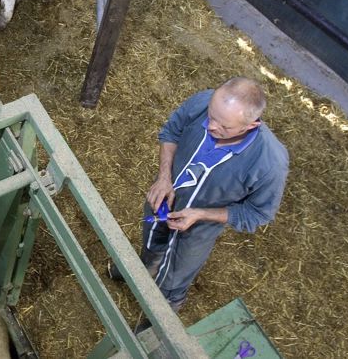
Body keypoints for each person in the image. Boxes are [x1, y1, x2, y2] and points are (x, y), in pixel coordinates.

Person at [110, 77, 289, 316]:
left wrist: (200, 214)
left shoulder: (269, 163)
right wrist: (164, 178)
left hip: (199, 229)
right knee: (152, 240)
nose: (212, 126)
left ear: (251, 126)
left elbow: (259, 213)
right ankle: (143, 271)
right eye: (211, 116)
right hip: (164, 198)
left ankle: (157, 323)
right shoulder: (203, 101)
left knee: (176, 276)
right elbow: (172, 130)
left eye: (224, 127)